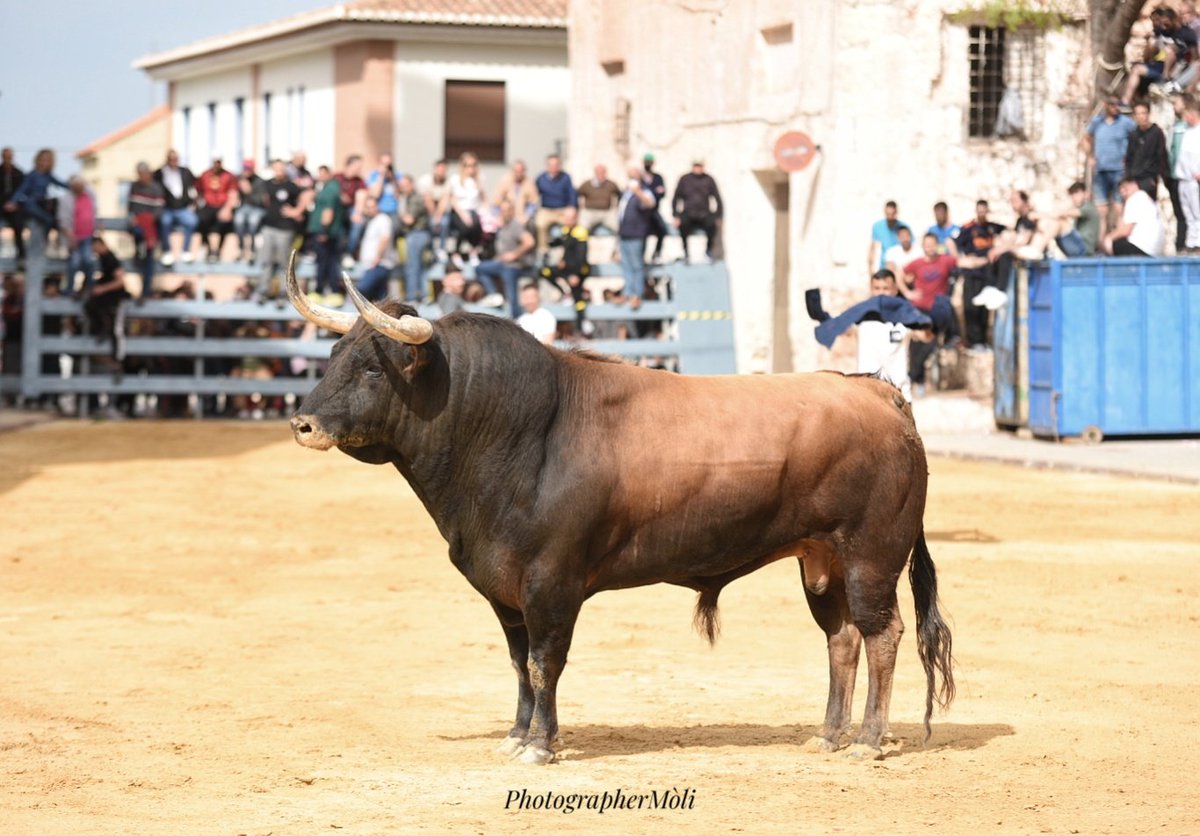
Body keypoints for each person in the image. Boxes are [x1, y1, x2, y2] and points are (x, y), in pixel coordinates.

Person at [901, 233, 960, 396]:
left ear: (936, 245)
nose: (930, 247)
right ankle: (917, 380)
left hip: (936, 310)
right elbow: (899, 272)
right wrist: (907, 292)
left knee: (930, 342)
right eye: (927, 244)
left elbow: (960, 261)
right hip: (918, 309)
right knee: (915, 345)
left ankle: (912, 377)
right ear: (923, 245)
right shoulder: (917, 263)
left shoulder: (945, 260)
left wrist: (952, 247)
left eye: (932, 244)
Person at [955, 199, 1008, 348]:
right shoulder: (968, 228)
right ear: (976, 211)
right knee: (970, 308)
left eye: (984, 210)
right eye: (980, 210)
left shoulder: (992, 227)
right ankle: (973, 341)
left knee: (984, 310)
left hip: (987, 274)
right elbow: (954, 244)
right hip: (972, 273)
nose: (982, 213)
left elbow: (1009, 232)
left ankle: (983, 341)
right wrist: (964, 260)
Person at [1082, 97, 1135, 237]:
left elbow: (1136, 138)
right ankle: (1101, 244)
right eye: (1113, 104)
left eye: (1118, 105)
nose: (1116, 107)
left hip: (1119, 170)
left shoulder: (1125, 123)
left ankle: (1117, 241)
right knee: (1101, 210)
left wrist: (1129, 158)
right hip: (1100, 171)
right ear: (1106, 105)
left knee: (1119, 208)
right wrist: (1090, 156)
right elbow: (1086, 138)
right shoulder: (1097, 122)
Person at [475, 199, 535, 317]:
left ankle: (516, 320)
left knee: (512, 298)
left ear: (512, 211)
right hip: (501, 264)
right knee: (480, 269)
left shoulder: (515, 226)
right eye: (502, 210)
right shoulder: (503, 226)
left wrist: (514, 254)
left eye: (508, 210)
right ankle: (493, 295)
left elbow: (529, 242)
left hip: (512, 266)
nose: (505, 212)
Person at [256, 159, 305, 302]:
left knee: (284, 262)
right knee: (266, 260)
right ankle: (263, 290)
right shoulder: (267, 184)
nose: (279, 172)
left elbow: (307, 195)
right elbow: (264, 200)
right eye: (276, 169)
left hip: (285, 228)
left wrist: (297, 211)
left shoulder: (291, 186)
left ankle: (284, 292)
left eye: (281, 169)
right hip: (269, 227)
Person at [5, 148, 66, 265]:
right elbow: (21, 190)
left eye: (47, 160)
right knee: (47, 220)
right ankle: (44, 244)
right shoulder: (32, 175)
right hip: (31, 204)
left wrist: (76, 185)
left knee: (54, 219)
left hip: (42, 204)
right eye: (43, 160)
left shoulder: (48, 175)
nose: (44, 163)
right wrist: (13, 201)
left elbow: (62, 184)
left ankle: (52, 244)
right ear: (38, 160)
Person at [539, 206, 592, 334]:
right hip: (567, 269)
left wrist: (576, 274)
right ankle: (564, 291)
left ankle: (581, 326)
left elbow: (581, 256)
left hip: (578, 271)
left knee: (578, 300)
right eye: (566, 217)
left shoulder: (580, 233)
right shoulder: (566, 230)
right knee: (544, 271)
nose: (567, 220)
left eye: (570, 218)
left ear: (576, 218)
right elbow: (563, 243)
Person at [81, 236, 129, 363]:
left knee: (117, 330)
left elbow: (120, 282)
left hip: (116, 299)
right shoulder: (103, 259)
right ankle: (103, 327)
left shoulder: (110, 259)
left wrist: (102, 288)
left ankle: (118, 360)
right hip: (108, 298)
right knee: (90, 306)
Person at [616, 164, 657, 310]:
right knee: (626, 266)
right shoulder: (625, 193)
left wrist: (638, 191)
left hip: (637, 234)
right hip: (624, 233)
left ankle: (637, 294)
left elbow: (650, 203)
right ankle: (627, 292)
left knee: (636, 265)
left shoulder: (644, 190)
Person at [671, 159, 723, 262]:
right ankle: (685, 252)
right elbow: (676, 198)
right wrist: (676, 216)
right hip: (688, 213)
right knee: (683, 225)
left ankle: (708, 251)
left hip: (704, 214)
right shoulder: (685, 179)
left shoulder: (709, 179)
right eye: (696, 165)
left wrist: (718, 216)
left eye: (700, 166)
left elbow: (718, 199)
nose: (698, 168)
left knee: (711, 225)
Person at [306, 167, 346, 302]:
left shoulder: (330, 190)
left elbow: (328, 212)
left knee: (326, 263)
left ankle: (324, 290)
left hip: (326, 233)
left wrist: (324, 231)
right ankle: (328, 290)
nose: (320, 176)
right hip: (328, 232)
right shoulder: (327, 188)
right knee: (328, 262)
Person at [127, 162, 165, 300]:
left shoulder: (156, 188)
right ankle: (139, 250)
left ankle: (145, 291)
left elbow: (158, 211)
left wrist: (146, 221)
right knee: (138, 233)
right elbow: (131, 208)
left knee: (149, 261)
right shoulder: (134, 187)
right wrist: (134, 219)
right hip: (139, 228)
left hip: (151, 230)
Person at [153, 149, 198, 266]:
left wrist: (194, 203)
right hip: (167, 208)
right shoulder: (159, 173)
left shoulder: (185, 172)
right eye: (171, 159)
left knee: (192, 221)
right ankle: (167, 251)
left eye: (176, 159)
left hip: (183, 208)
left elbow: (195, 187)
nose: (174, 161)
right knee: (164, 222)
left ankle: (186, 250)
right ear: (167, 160)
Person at [1103, 176, 1165, 256]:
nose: (1122, 192)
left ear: (1134, 185)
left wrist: (1108, 238)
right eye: (1120, 190)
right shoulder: (1146, 198)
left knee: (1113, 242)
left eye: (1125, 188)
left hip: (1142, 249)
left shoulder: (1134, 198)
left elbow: (1125, 230)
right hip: (1154, 251)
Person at [441, 152, 484, 266]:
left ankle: (473, 251)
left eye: (473, 165)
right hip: (459, 212)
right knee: (465, 225)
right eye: (467, 165)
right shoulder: (455, 180)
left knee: (477, 223)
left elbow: (482, 200)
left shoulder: (478, 180)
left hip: (474, 211)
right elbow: (452, 199)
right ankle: (456, 252)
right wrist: (464, 214)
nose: (471, 168)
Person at [57, 176, 97, 296]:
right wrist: (70, 236)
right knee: (74, 263)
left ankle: (88, 287)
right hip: (73, 237)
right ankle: (70, 289)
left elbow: (94, 213)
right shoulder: (66, 199)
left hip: (88, 236)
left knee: (88, 261)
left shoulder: (89, 195)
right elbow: (63, 219)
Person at [195, 156, 239, 262]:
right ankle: (208, 248)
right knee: (201, 220)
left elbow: (233, 193)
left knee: (223, 224)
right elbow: (199, 191)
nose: (217, 164)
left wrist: (228, 209)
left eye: (219, 162)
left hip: (223, 205)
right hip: (208, 205)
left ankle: (217, 251)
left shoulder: (229, 175)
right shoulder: (205, 175)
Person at [395, 174, 431, 303]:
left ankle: (412, 296)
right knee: (419, 266)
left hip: (418, 234)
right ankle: (423, 295)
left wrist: (400, 206)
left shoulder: (415, 199)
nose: (403, 188)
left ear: (412, 184)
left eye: (405, 185)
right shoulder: (408, 198)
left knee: (413, 266)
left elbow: (409, 220)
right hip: (416, 234)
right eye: (401, 186)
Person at [534, 154, 577, 254]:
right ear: (547, 166)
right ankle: (543, 251)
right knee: (540, 224)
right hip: (546, 209)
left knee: (571, 226)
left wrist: (572, 208)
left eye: (556, 164)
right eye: (551, 165)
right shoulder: (541, 178)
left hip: (562, 210)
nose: (554, 167)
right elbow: (534, 195)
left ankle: (568, 251)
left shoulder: (566, 177)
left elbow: (572, 193)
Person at [356, 196, 397, 302]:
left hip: (379, 264)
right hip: (370, 264)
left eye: (373, 206)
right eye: (368, 207)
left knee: (362, 289)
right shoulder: (371, 221)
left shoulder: (383, 219)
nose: (371, 209)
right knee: (380, 299)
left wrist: (377, 257)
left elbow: (385, 238)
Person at [1126, 102, 1170, 200]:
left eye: (1144, 113)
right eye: (1138, 114)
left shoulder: (1156, 132)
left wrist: (1158, 178)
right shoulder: (1133, 134)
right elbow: (1129, 158)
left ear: (1149, 114)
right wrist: (1128, 178)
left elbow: (1161, 156)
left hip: (1149, 179)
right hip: (1134, 179)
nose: (1141, 117)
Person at [1174, 96, 1200, 252]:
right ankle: (1191, 242)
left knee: (1197, 213)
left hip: (1193, 180)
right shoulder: (1188, 131)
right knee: (1188, 214)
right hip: (1182, 178)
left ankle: (1198, 243)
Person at [1168, 95, 1191, 253]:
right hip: (1175, 178)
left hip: (1191, 177)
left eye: (1176, 103)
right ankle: (1181, 245)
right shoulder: (1174, 126)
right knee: (1180, 214)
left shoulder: (1193, 128)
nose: (1173, 106)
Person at [234, 160, 268, 261]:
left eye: (248, 169)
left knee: (253, 222)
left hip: (258, 208)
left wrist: (249, 191)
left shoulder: (260, 181)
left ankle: (252, 249)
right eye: (245, 168)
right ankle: (241, 248)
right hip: (244, 207)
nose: (246, 171)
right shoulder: (239, 179)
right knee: (238, 220)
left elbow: (261, 201)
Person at [417, 159, 450, 259]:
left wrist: (438, 215)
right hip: (428, 211)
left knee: (444, 223)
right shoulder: (425, 181)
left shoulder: (448, 182)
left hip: (442, 212)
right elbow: (428, 200)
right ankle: (431, 250)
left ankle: (441, 250)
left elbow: (445, 200)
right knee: (431, 223)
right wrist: (434, 216)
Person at [336, 154, 366, 266]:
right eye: (358, 165)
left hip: (350, 210)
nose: (360, 168)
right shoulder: (337, 177)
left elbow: (361, 196)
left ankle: (348, 253)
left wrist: (358, 213)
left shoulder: (359, 181)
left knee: (358, 223)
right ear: (351, 165)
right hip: (337, 210)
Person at [640, 153, 668, 263]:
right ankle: (641, 255)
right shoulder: (640, 178)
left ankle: (656, 253)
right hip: (641, 212)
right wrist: (652, 193)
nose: (648, 165)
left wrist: (648, 196)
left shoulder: (658, 177)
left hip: (653, 211)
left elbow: (661, 193)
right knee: (642, 233)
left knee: (662, 230)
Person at [577, 164, 621, 233]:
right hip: (590, 212)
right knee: (581, 228)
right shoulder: (587, 184)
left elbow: (619, 194)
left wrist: (617, 207)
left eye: (603, 172)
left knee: (618, 227)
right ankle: (581, 243)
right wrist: (579, 207)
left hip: (606, 212)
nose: (601, 174)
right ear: (595, 173)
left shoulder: (611, 184)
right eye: (599, 172)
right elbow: (577, 194)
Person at [0, 147, 25, 262]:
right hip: (1, 205)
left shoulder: (18, 173)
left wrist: (14, 204)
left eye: (9, 157)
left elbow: (23, 192)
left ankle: (21, 255)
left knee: (18, 225)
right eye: (6, 157)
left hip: (14, 207)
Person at [869, 200, 906, 272]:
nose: (890, 217)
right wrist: (870, 268)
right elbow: (873, 248)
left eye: (892, 214)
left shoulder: (903, 227)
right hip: (884, 266)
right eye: (888, 214)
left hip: (900, 267)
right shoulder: (877, 226)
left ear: (896, 212)